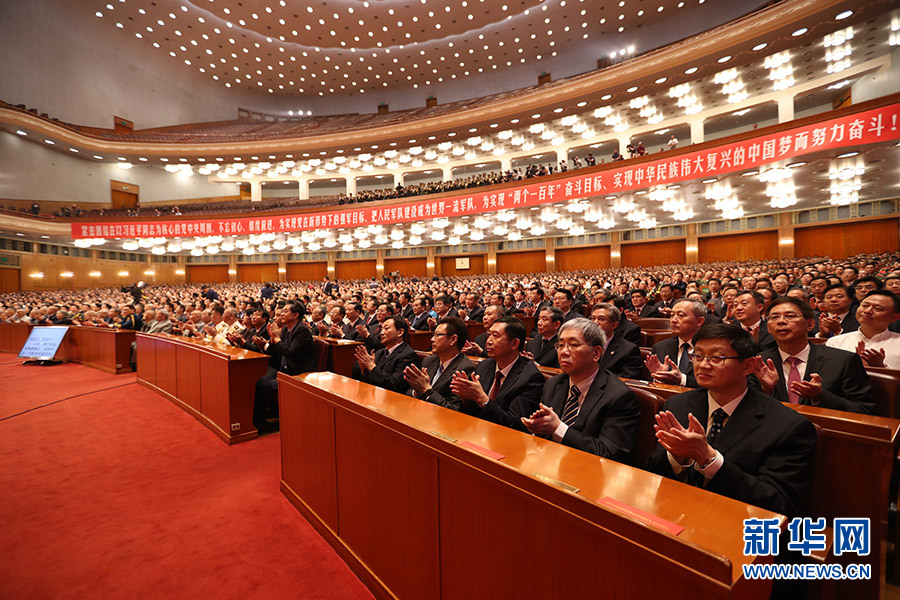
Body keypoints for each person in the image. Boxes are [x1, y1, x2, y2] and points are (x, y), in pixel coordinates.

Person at [647, 323, 817, 518]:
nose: (703, 365)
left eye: (717, 358)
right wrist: (678, 457)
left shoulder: (788, 426)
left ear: (748, 366)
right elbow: (652, 471)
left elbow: (779, 503)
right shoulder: (678, 404)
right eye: (698, 356)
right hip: (676, 510)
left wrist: (709, 459)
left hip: (738, 524)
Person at [522, 318, 639, 461]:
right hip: (550, 462)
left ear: (596, 353)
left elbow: (609, 454)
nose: (563, 352)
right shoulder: (553, 384)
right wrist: (538, 428)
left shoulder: (619, 396)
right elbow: (546, 435)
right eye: (560, 345)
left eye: (573, 345)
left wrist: (558, 428)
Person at [750, 297, 873, 414]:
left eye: (790, 316)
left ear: (810, 324)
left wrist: (819, 396)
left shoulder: (843, 361)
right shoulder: (760, 362)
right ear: (768, 328)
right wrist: (767, 391)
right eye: (774, 317)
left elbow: (864, 409)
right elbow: (748, 409)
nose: (781, 321)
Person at [451, 316, 545, 432]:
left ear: (514, 344)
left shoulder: (531, 378)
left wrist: (482, 399)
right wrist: (466, 398)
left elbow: (515, 424)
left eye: (495, 336)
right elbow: (472, 413)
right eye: (489, 335)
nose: (488, 341)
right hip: (477, 432)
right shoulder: (485, 366)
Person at [252, 302, 316, 432]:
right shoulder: (286, 329)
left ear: (296, 315)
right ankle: (261, 418)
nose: (282, 314)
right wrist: (271, 340)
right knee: (260, 380)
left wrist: (276, 338)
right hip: (284, 369)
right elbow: (276, 353)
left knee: (266, 385)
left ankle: (262, 421)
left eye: (285, 311)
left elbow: (290, 352)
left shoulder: (302, 330)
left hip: (298, 372)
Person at [403, 317, 475, 411]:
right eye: (433, 334)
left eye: (437, 335)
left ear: (453, 339)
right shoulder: (429, 361)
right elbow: (409, 393)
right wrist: (417, 392)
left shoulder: (465, 369)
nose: (432, 339)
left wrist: (427, 390)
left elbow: (454, 409)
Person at [827, 290, 900, 369]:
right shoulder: (836, 342)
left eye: (877, 308)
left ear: (894, 317)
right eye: (865, 305)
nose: (868, 311)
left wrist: (881, 368)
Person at [644, 299, 707, 387]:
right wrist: (659, 377)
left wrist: (682, 379)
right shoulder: (660, 347)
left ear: (700, 321)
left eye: (681, 315)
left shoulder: (712, 349)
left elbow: (716, 385)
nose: (673, 320)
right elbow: (652, 384)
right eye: (672, 315)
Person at [353, 316, 420, 394]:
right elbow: (368, 382)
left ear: (400, 332)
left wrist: (372, 367)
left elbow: (395, 385)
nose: (381, 333)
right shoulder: (379, 352)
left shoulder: (408, 355)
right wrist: (364, 370)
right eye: (381, 329)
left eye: (386, 328)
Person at [592, 304, 643, 380]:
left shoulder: (628, 350)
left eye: (601, 319)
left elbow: (628, 379)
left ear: (614, 325)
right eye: (593, 319)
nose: (595, 323)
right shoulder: (583, 344)